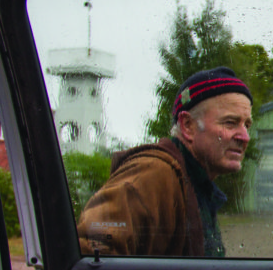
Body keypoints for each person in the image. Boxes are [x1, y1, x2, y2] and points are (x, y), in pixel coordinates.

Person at [77, 66, 253, 257]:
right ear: (188, 126)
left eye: (247, 125)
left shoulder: (195, 184)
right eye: (230, 123)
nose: (245, 137)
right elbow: (90, 255)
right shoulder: (154, 174)